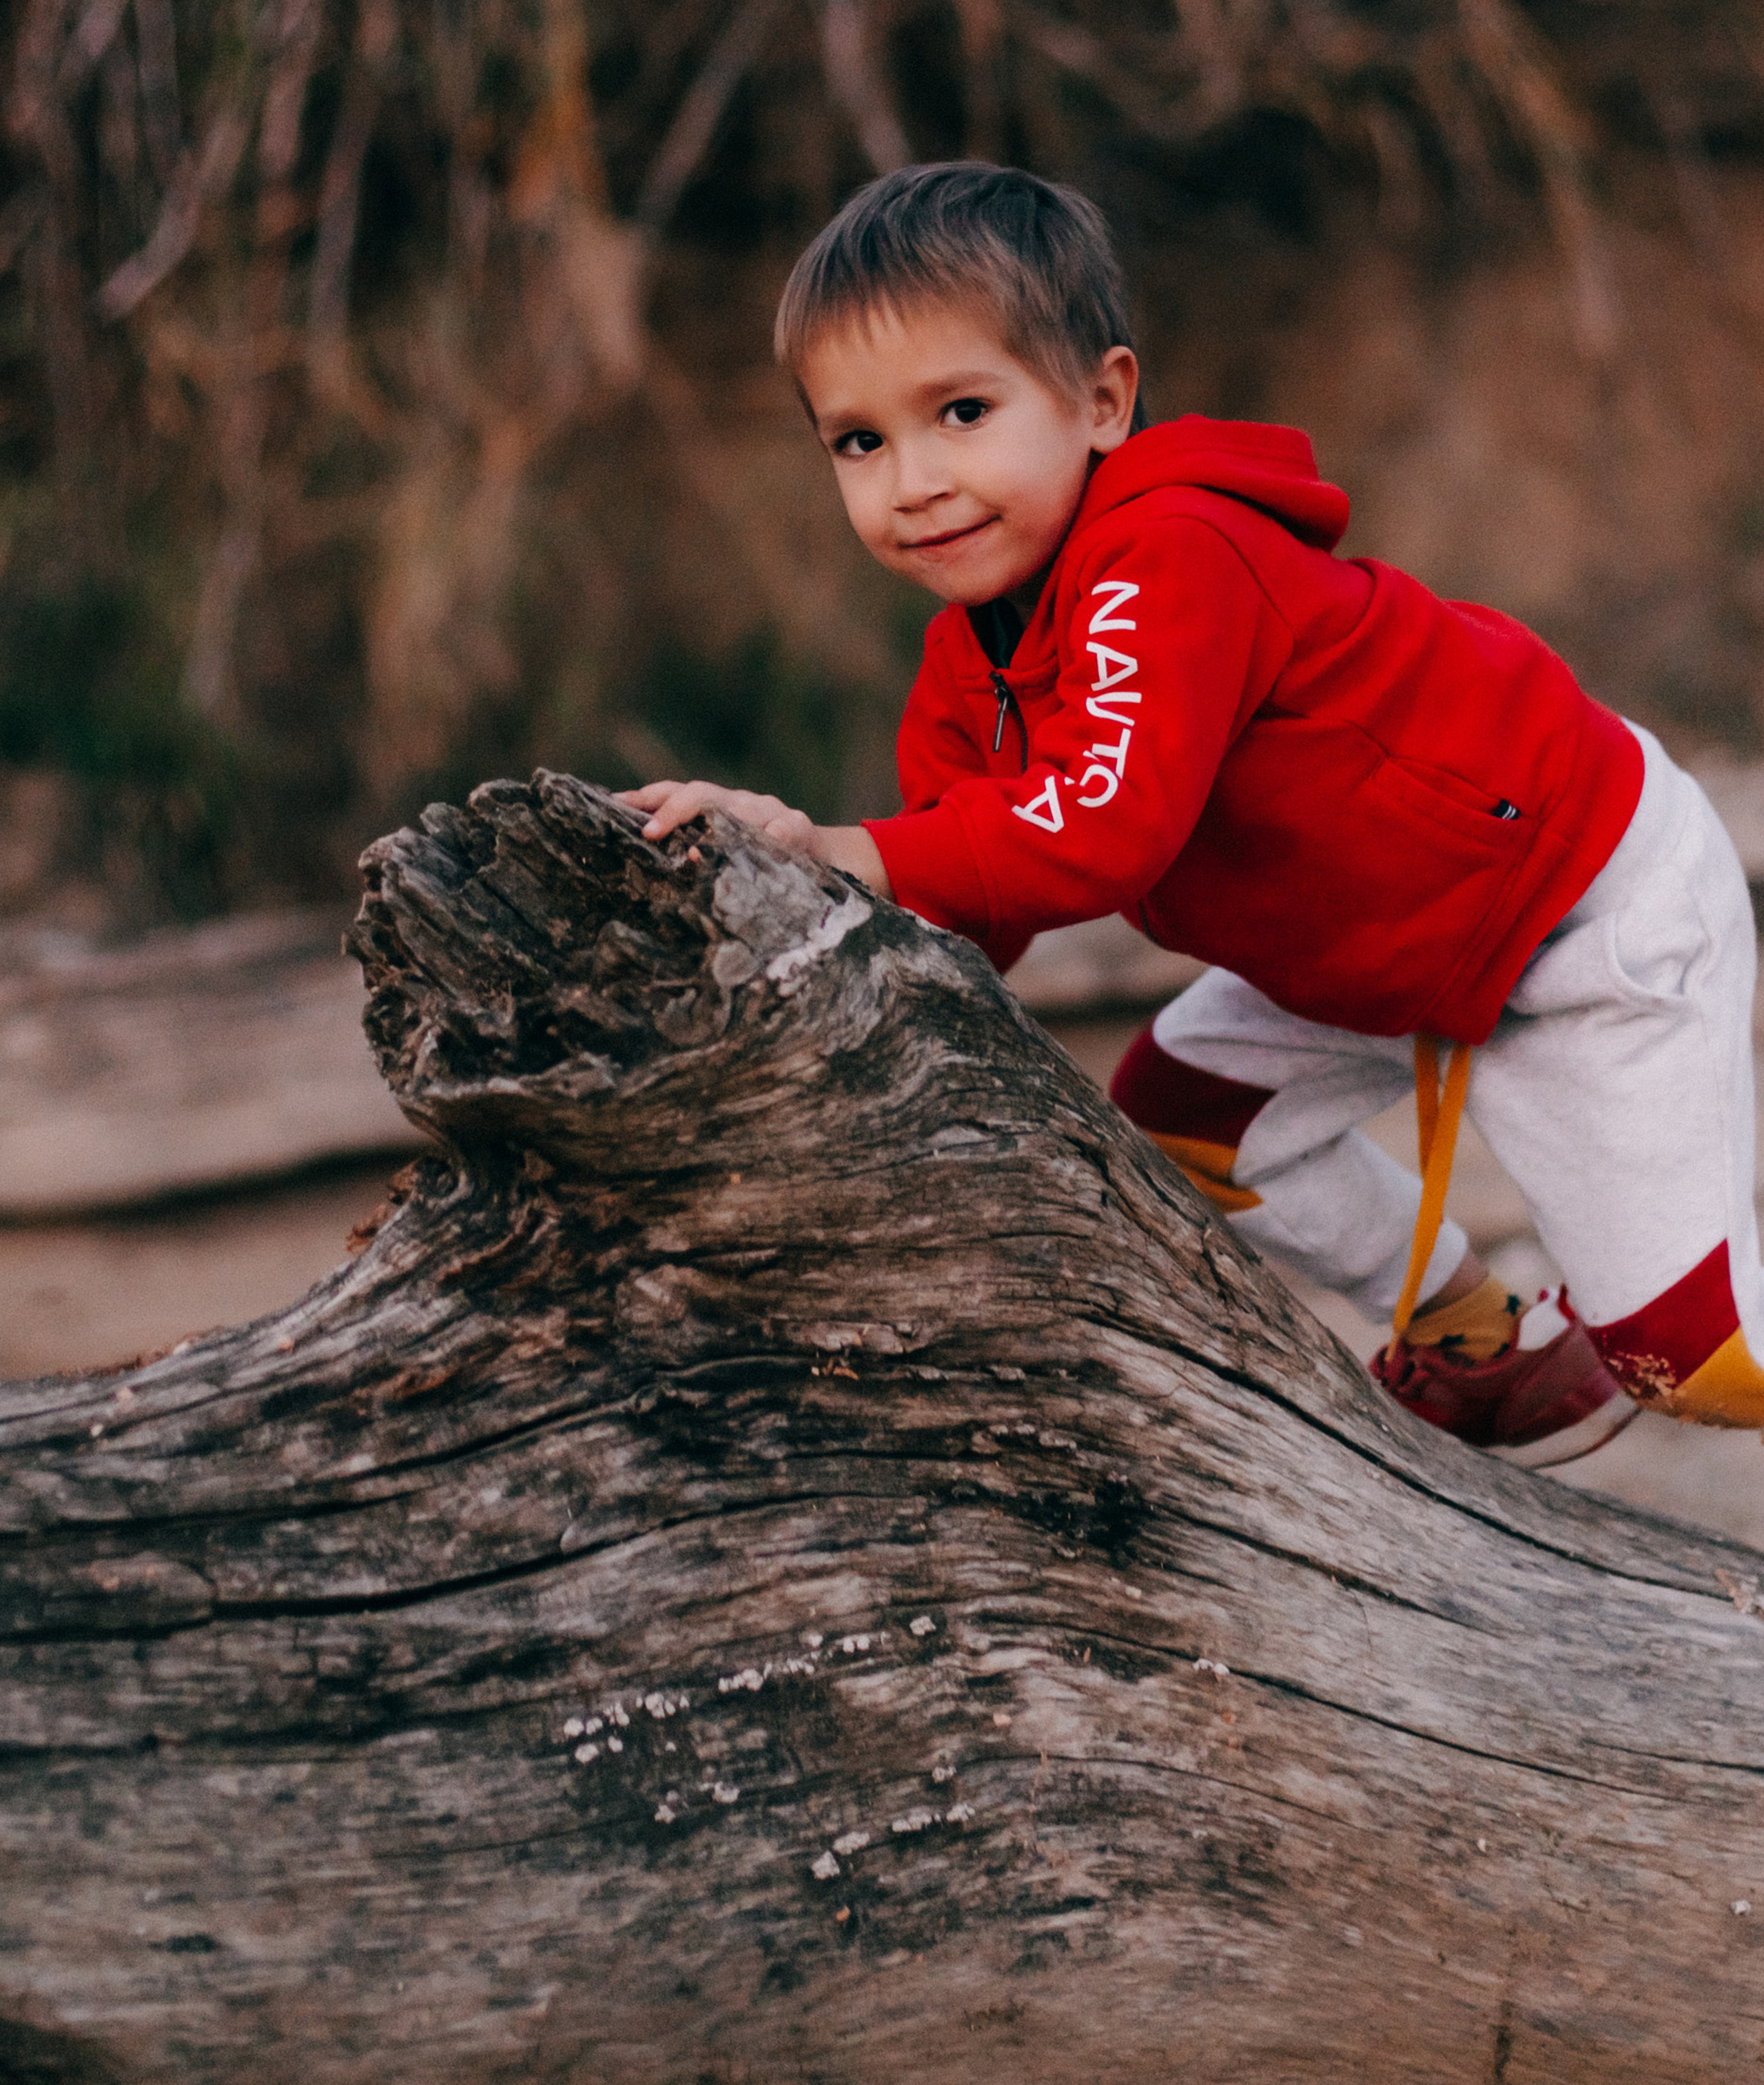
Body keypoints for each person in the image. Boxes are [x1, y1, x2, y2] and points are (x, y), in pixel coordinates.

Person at [622, 161, 1764, 1467]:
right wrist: (777, 875)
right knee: (1187, 1122)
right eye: (861, 442)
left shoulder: (1169, 553)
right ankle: (1488, 1335)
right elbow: (960, 904)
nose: (914, 479)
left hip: (1571, 898)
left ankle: (1626, 1341)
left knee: (1709, 1367)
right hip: (1381, 940)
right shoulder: (970, 666)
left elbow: (1105, 826)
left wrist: (850, 848)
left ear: (1102, 401)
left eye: (962, 411)